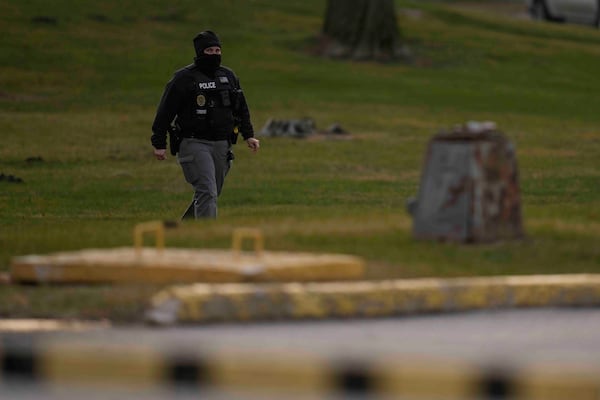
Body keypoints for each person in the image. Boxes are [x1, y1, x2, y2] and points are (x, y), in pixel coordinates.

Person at [151, 31, 259, 219]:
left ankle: (185, 231)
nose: (215, 54)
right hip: (193, 142)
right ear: (200, 53)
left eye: (218, 50)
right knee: (207, 191)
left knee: (211, 192)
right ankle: (207, 238)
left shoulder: (228, 76)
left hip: (222, 144)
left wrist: (248, 134)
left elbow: (241, 108)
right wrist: (159, 142)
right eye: (209, 50)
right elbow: (165, 112)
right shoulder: (184, 78)